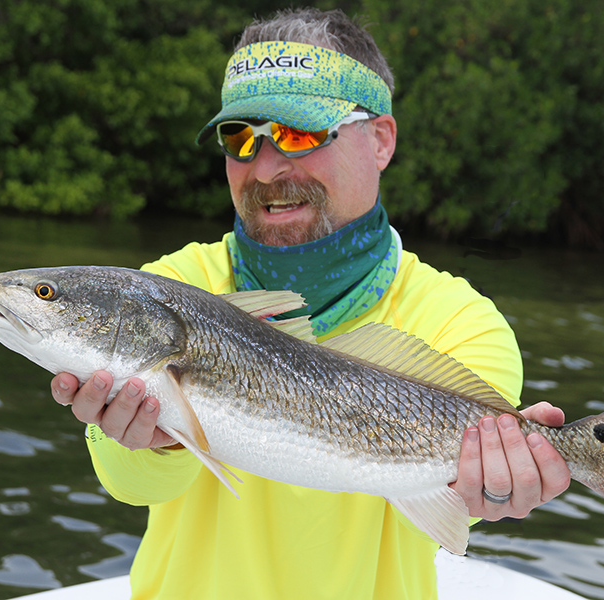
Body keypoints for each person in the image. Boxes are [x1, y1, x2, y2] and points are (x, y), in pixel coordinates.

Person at [50, 8, 571, 599]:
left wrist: (495, 487)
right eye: (240, 138)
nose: (267, 167)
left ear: (380, 140)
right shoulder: (169, 288)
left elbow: (457, 506)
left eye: (300, 134)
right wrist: (156, 441)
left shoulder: (460, 320)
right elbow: (131, 484)